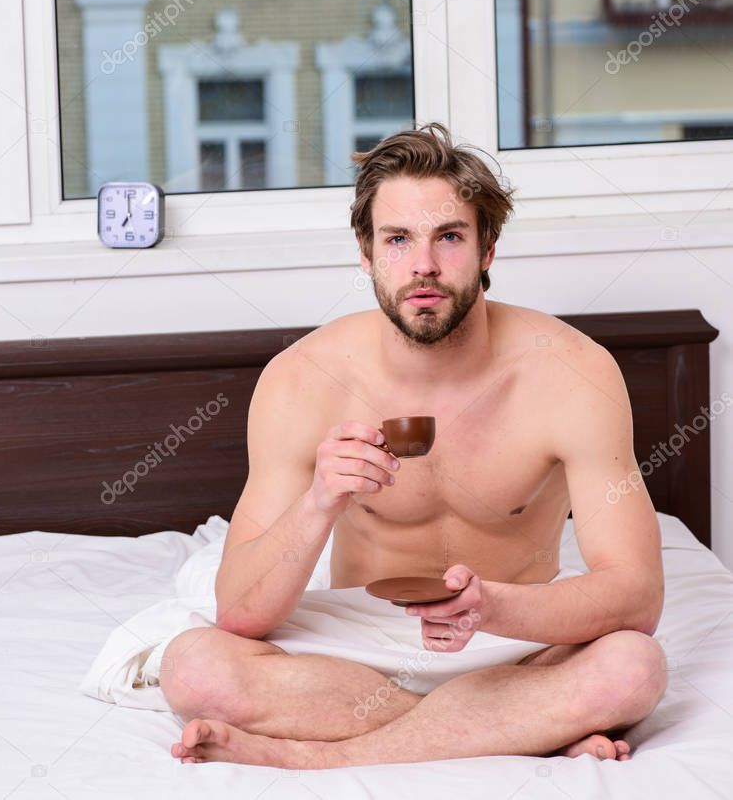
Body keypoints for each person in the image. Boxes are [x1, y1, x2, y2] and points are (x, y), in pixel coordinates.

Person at [162, 122, 667, 768]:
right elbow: (239, 611)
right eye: (397, 239)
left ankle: (323, 757)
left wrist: (493, 606)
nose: (422, 265)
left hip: (513, 639)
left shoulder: (572, 371)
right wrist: (319, 500)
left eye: (448, 236)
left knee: (631, 666)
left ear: (487, 249)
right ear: (366, 252)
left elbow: (636, 594)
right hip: (353, 648)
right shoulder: (301, 377)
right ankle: (517, 725)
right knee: (195, 667)